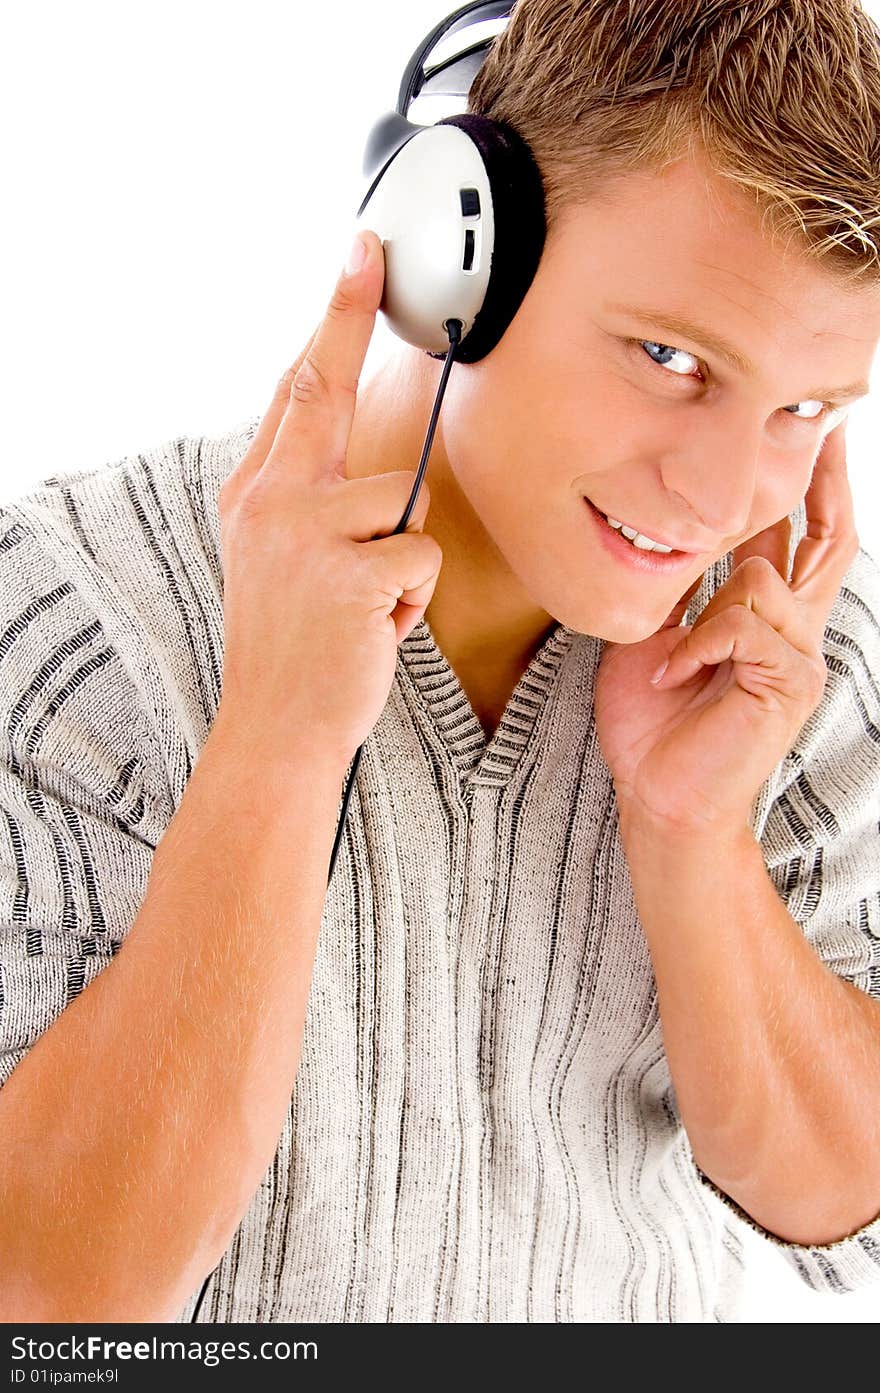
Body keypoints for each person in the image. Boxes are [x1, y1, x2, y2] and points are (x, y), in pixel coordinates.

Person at [1, 0, 880, 1324]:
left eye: (802, 410)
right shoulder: (73, 605)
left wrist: (697, 833)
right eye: (670, 358)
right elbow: (56, 1293)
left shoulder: (779, 650)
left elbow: (840, 1193)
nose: (717, 496)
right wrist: (278, 745)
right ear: (451, 256)